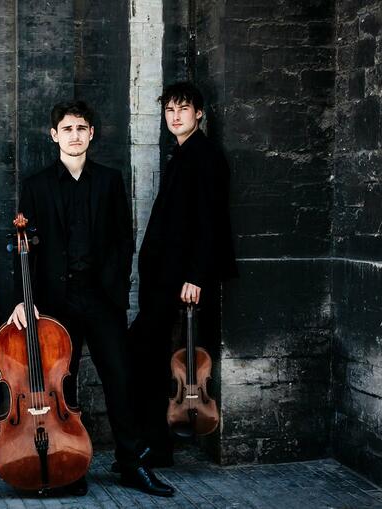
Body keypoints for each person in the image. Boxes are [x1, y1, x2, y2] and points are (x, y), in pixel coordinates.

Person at [6, 100, 174, 498]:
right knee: (63, 387)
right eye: (67, 129)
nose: (75, 135)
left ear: (91, 134)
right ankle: (72, 466)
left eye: (82, 128)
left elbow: (122, 239)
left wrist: (113, 288)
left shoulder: (110, 180)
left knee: (120, 379)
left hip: (101, 300)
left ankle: (132, 465)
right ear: (54, 135)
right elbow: (22, 249)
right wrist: (23, 299)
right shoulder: (36, 185)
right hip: (55, 302)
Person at [129, 81, 238, 466]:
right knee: (148, 354)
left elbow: (211, 223)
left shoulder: (204, 156)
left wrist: (196, 276)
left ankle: (156, 446)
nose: (175, 116)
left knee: (145, 353)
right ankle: (152, 444)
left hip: (180, 280)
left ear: (199, 113)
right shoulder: (183, 154)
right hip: (166, 279)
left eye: (183, 109)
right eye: (169, 111)